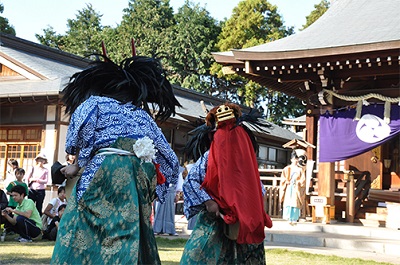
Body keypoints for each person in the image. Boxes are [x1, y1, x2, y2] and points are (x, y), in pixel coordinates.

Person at [51, 54, 181, 265]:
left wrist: (77, 164)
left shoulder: (96, 103)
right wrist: (154, 189)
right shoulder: (141, 115)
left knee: (80, 220)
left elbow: (78, 135)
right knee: (129, 231)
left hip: (106, 168)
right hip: (140, 173)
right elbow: (171, 161)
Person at [180, 103, 272, 264]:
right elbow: (191, 181)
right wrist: (209, 201)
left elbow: (258, 187)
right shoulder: (209, 157)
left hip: (244, 219)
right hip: (215, 219)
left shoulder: (246, 157)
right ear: (213, 135)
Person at [153, 166, 184, 236]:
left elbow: (179, 182)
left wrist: (177, 194)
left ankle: (170, 230)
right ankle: (157, 229)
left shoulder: (177, 169)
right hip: (162, 190)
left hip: (171, 190)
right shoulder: (160, 166)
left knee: (170, 211)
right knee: (159, 210)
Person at [279, 149, 307, 225]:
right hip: (288, 187)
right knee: (288, 201)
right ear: (291, 160)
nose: (296, 160)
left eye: (297, 159)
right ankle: (288, 217)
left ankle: (294, 218)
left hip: (296, 188)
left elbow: (303, 180)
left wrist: (298, 183)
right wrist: (286, 181)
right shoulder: (286, 169)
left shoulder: (300, 170)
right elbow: (283, 178)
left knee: (295, 202)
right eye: (294, 159)